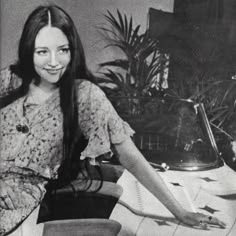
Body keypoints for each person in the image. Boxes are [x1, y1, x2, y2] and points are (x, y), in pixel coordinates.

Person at [0, 4, 226, 236]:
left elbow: (130, 156)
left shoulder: (85, 95)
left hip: (13, 203)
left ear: (72, 50)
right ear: (29, 50)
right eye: (42, 51)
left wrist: (181, 211)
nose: (54, 61)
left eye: (63, 50)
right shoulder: (9, 79)